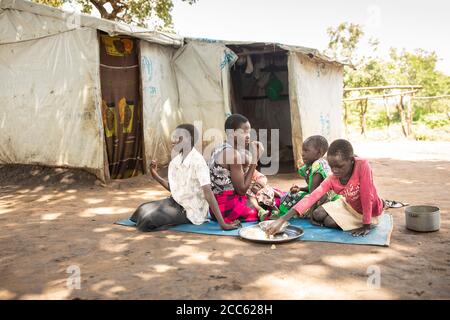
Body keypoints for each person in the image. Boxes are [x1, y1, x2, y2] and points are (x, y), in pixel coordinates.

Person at [130, 124, 241, 231]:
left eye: (177, 137)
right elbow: (173, 189)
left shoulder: (198, 161)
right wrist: (155, 175)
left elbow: (208, 193)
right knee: (141, 210)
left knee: (148, 220)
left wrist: (223, 224)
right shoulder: (176, 161)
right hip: (175, 202)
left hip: (190, 210)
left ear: (188, 139)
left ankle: (170, 222)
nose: (173, 141)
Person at [267, 139, 385, 237]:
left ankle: (381, 206)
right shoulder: (332, 178)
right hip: (348, 205)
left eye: (340, 166)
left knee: (329, 222)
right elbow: (312, 197)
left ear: (351, 160)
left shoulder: (362, 165)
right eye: (332, 166)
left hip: (369, 210)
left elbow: (366, 195)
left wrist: (366, 225)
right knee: (317, 215)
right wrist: (282, 220)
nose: (335, 170)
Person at [209, 114, 264, 223]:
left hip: (215, 209)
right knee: (273, 204)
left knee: (266, 195)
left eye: (248, 132)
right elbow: (242, 190)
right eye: (243, 132)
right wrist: (255, 159)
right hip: (229, 208)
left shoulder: (217, 148)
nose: (248, 136)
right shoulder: (233, 155)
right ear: (230, 133)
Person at [279, 135, 339, 218]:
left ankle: (309, 213)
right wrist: (300, 189)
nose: (302, 154)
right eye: (302, 150)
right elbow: (318, 187)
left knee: (289, 198)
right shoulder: (312, 166)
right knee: (289, 196)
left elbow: (314, 194)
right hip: (320, 197)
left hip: (326, 200)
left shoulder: (317, 165)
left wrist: (311, 215)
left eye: (306, 151)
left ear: (319, 153)